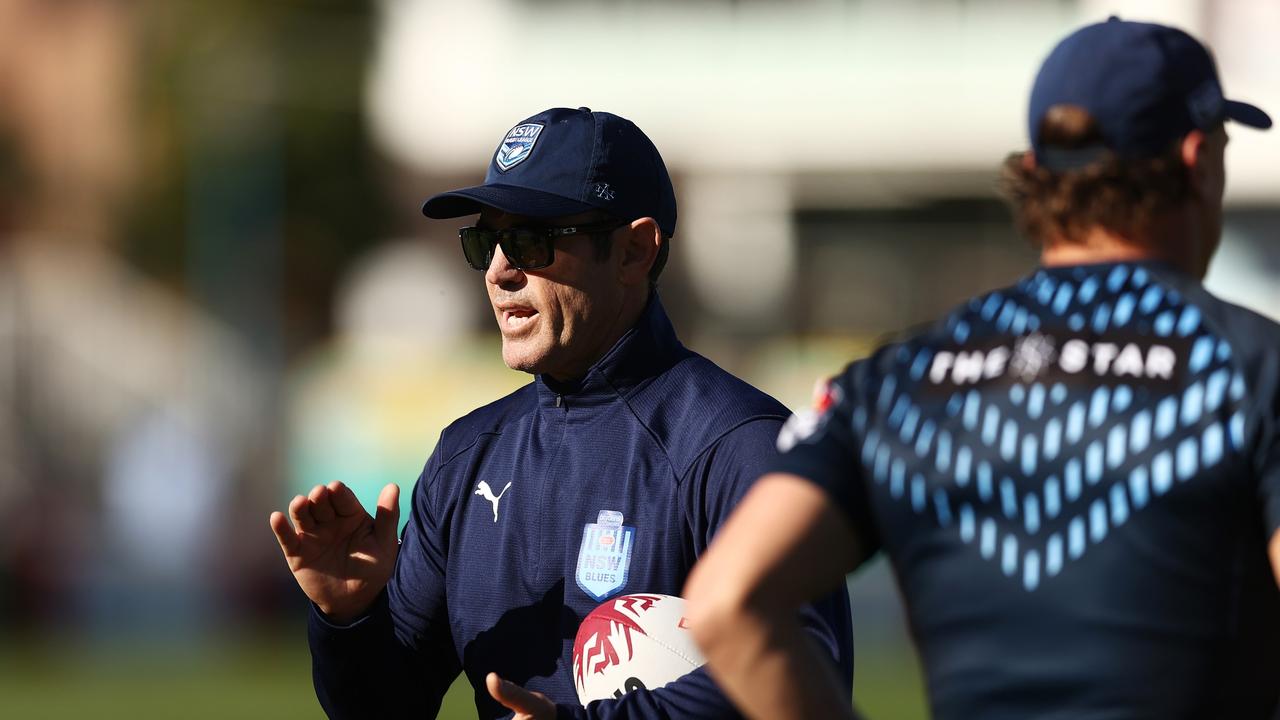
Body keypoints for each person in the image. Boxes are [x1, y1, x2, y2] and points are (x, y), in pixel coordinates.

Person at [685, 17, 1280, 720]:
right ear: (1197, 158)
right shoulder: (1248, 366)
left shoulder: (899, 381)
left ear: (1033, 172)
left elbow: (727, 602)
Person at [269, 106, 854, 719]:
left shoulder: (741, 445)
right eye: (485, 241)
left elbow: (803, 676)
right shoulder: (467, 457)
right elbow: (385, 707)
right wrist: (350, 617)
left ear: (633, 250)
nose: (499, 271)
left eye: (530, 240)